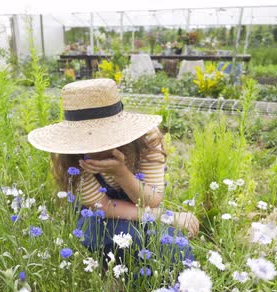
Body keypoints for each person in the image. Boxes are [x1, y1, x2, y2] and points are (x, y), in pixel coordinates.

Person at [27, 78, 199, 267]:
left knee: (170, 246)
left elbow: (151, 200)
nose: (96, 144)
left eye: (104, 136)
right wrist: (167, 216)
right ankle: (117, 277)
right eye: (86, 138)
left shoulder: (147, 140)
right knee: (123, 237)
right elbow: (104, 206)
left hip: (145, 206)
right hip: (100, 216)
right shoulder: (69, 157)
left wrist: (121, 172)